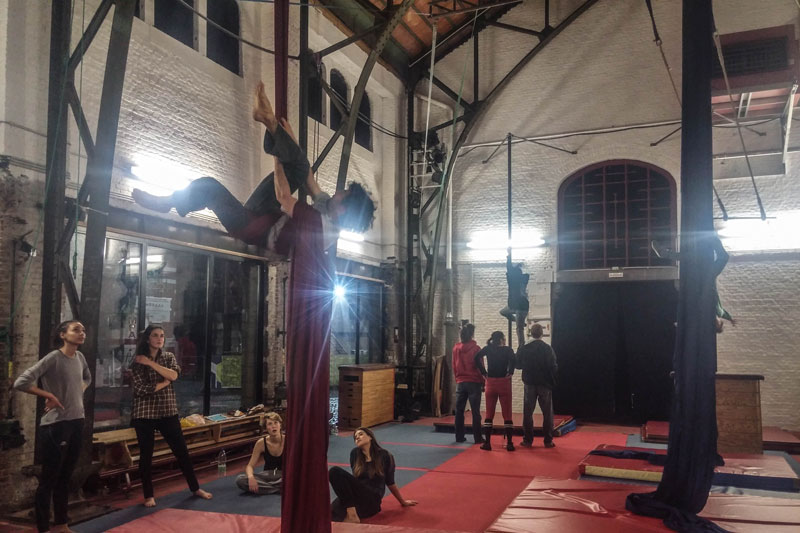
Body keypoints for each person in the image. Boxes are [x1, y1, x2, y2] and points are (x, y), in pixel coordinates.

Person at [132, 82, 376, 253]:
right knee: (300, 169)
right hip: (266, 216)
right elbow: (308, 178)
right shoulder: (326, 209)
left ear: (344, 209)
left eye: (343, 194)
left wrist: (279, 153)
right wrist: (287, 139)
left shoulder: (320, 228)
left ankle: (168, 203)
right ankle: (270, 123)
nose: (338, 192)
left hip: (256, 230)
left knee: (208, 187)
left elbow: (283, 196)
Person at [13, 321, 91, 533]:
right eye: (76, 330)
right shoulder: (53, 358)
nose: (82, 333)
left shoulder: (80, 357)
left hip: (77, 421)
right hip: (56, 426)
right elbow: (21, 382)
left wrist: (78, 391)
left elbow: (87, 377)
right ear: (63, 335)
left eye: (83, 330)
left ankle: (62, 524)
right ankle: (43, 528)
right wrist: (49, 395)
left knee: (65, 477)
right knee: (49, 479)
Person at [130, 324, 212, 507]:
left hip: (167, 410)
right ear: (147, 338)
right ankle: (148, 495)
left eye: (162, 335)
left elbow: (174, 375)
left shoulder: (168, 357)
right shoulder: (138, 360)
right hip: (144, 413)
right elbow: (141, 390)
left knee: (182, 451)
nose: (159, 339)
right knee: (146, 455)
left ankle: (195, 488)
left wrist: (151, 363)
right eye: (155, 335)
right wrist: (163, 382)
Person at [329, 427, 417, 523]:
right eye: (355, 437)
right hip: (359, 497)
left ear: (370, 437)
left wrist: (402, 501)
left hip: (372, 500)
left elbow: (390, 482)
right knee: (330, 513)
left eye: (360, 434)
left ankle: (352, 515)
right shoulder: (355, 454)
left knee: (335, 471)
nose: (357, 437)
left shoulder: (384, 455)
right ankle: (352, 512)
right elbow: (355, 481)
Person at [652, 236, 736, 333]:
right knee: (722, 257)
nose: (715, 321)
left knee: (692, 258)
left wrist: (680, 323)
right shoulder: (719, 312)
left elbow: (691, 316)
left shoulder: (703, 315)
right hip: (709, 279)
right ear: (719, 321)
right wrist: (731, 319)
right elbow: (724, 314)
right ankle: (713, 238)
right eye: (717, 322)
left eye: (715, 324)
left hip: (699, 283)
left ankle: (665, 253)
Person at [515, 323, 558, 449]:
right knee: (547, 413)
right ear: (542, 334)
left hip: (529, 383)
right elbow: (553, 367)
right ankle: (548, 441)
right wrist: (552, 381)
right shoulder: (547, 348)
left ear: (531, 333)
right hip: (544, 384)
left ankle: (528, 440)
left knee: (528, 412)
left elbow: (518, 365)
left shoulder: (525, 348)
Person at [474, 331, 516, 451]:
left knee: (489, 414)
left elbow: (476, 358)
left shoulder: (488, 348)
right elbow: (514, 360)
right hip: (504, 382)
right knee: (507, 413)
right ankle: (509, 443)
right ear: (502, 339)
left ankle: (487, 443)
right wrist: (510, 372)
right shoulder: (508, 350)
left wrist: (483, 372)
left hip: (491, 382)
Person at [235, 411, 284, 495]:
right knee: (240, 479)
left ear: (280, 425)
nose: (273, 426)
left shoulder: (288, 440)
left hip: (284, 476)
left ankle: (267, 488)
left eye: (276, 422)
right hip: (267, 475)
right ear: (266, 428)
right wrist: (251, 478)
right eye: (270, 424)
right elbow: (250, 466)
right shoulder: (261, 443)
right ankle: (279, 489)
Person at [452, 323, 484, 444]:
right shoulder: (476, 349)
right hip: (474, 382)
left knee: (459, 411)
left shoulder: (456, 348)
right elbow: (480, 366)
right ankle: (478, 437)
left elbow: (454, 365)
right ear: (472, 334)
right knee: (475, 411)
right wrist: (483, 381)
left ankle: (459, 436)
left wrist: (457, 378)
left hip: (461, 381)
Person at [499, 258, 530, 349]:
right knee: (503, 312)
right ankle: (518, 321)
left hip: (519, 307)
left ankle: (521, 347)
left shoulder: (513, 282)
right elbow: (510, 269)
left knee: (519, 329)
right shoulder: (524, 279)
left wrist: (508, 256)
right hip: (518, 306)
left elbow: (509, 268)